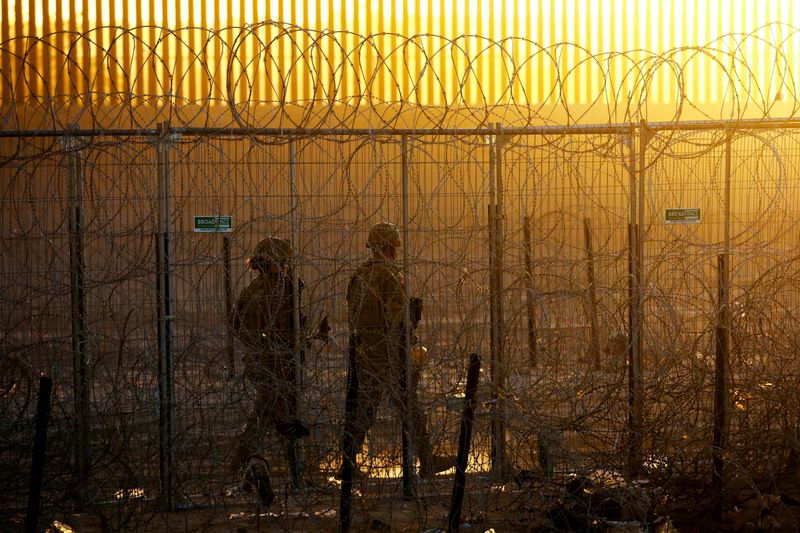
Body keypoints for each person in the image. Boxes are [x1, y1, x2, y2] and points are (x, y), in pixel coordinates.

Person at [341, 222, 453, 479]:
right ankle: (426, 460)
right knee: (409, 407)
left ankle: (348, 461)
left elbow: (352, 314)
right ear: (391, 247)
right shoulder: (389, 276)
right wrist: (408, 342)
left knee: (364, 409)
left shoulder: (359, 276)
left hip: (365, 352)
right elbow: (398, 320)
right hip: (389, 353)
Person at [230, 236, 309, 505]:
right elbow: (296, 331)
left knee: (266, 416)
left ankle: (252, 469)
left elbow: (237, 327)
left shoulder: (250, 293)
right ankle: (262, 465)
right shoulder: (288, 292)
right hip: (283, 365)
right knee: (279, 419)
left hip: (260, 365)